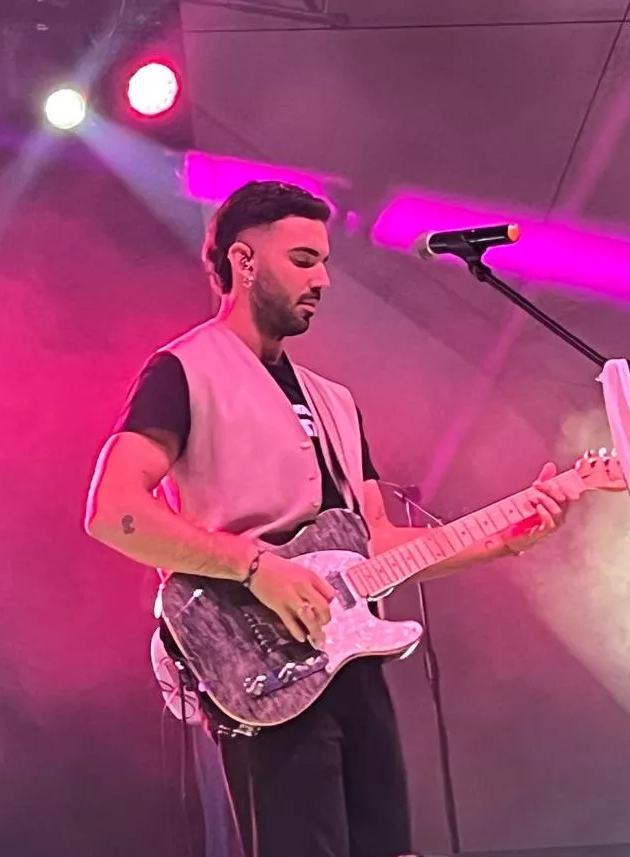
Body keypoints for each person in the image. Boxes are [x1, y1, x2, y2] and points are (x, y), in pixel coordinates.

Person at [84, 180, 580, 857]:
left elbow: (374, 540)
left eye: (323, 261)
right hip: (256, 661)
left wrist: (507, 536)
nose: (322, 278)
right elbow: (112, 510)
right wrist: (256, 566)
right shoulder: (182, 370)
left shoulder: (335, 401)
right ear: (244, 261)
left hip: (351, 663)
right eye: (303, 260)